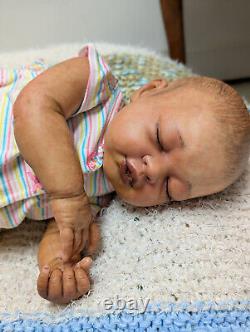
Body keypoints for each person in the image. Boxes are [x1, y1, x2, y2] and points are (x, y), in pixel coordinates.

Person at [0, 44, 249, 304]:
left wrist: (61, 266)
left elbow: (60, 230)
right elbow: (33, 105)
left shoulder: (98, 196)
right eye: (160, 139)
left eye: (169, 188)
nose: (152, 170)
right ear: (148, 91)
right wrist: (68, 195)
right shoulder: (95, 83)